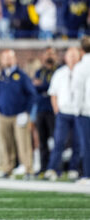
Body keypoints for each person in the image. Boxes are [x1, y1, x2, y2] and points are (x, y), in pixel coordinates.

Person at [0, 49, 37, 179]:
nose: (7, 60)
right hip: (3, 115)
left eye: (9, 58)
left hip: (19, 115)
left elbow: (32, 95)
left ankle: (29, 170)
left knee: (23, 144)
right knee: (6, 144)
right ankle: (7, 169)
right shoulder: (0, 76)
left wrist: (26, 112)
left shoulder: (22, 76)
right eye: (4, 58)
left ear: (14, 59)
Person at [45, 47, 82, 181]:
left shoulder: (84, 72)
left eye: (74, 55)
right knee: (59, 141)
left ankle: (73, 169)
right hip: (63, 112)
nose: (72, 58)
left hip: (79, 112)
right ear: (65, 58)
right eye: (70, 56)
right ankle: (53, 169)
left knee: (77, 143)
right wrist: (57, 110)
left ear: (79, 57)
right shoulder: (60, 73)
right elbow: (53, 93)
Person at [33, 47, 58, 175]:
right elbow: (34, 87)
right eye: (47, 53)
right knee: (42, 141)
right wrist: (44, 87)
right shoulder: (39, 71)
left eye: (52, 53)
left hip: (53, 109)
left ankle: (55, 167)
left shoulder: (58, 71)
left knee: (55, 140)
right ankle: (43, 166)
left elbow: (52, 87)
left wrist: (42, 86)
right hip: (41, 109)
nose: (49, 56)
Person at [75, 36, 90, 185]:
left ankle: (87, 174)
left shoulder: (81, 67)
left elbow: (79, 91)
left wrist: (77, 109)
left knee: (86, 144)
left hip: (85, 111)